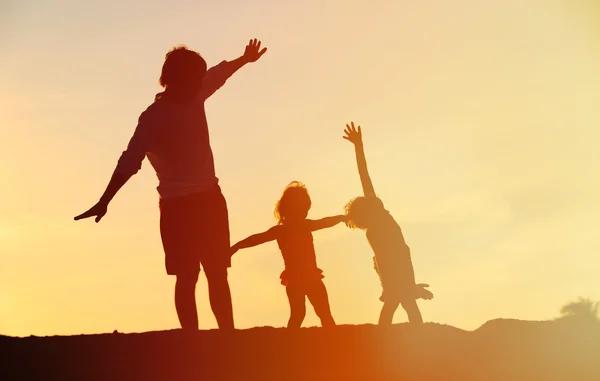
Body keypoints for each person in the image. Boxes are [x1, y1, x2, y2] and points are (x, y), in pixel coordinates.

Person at [74, 39, 268, 331]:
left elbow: (218, 74)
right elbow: (129, 161)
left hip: (210, 199)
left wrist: (244, 59)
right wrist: (105, 199)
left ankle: (228, 335)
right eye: (194, 78)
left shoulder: (197, 92)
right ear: (175, 79)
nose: (200, 83)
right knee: (187, 275)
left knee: (217, 273)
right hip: (177, 207)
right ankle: (191, 339)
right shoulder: (153, 118)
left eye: (200, 78)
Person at [342, 122, 433, 325]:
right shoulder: (376, 223)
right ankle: (392, 337)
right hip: (394, 267)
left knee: (401, 303)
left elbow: (364, 175)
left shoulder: (377, 213)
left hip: (396, 265)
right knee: (402, 303)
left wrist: (359, 146)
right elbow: (364, 175)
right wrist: (403, 284)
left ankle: (390, 335)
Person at [230, 181, 345, 328]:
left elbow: (325, 222)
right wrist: (237, 246)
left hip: (312, 277)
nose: (304, 213)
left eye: (305, 209)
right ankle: (290, 345)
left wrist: (341, 218)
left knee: (324, 313)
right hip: (295, 280)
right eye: (300, 208)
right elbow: (258, 238)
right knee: (298, 314)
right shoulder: (281, 231)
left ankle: (334, 344)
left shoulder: (306, 225)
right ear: (288, 209)